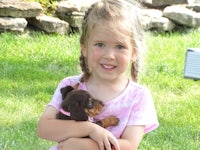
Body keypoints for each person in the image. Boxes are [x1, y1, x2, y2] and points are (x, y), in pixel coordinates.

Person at [37, 0, 159, 150]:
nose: (109, 55)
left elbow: (129, 145)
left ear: (134, 53)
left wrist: (85, 146)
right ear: (84, 48)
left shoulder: (138, 96)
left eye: (120, 46)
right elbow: (44, 128)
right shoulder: (70, 87)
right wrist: (90, 129)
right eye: (100, 44)